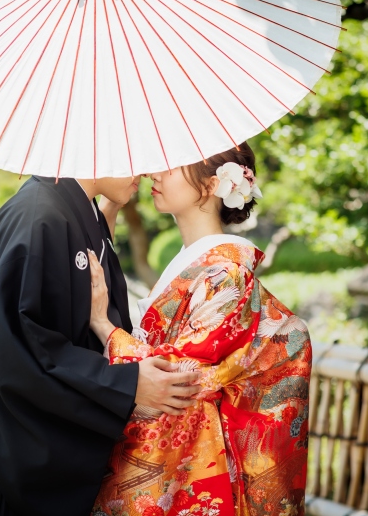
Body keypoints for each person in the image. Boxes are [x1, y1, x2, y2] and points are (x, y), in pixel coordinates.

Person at [0, 175, 202, 516]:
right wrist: (127, 383)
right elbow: (19, 351)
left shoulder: (74, 209)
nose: (146, 169)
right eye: (133, 155)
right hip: (4, 460)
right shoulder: (39, 217)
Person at [88, 143, 312, 516]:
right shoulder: (195, 260)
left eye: (171, 165)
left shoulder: (226, 272)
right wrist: (109, 207)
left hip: (194, 461)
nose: (153, 173)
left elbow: (179, 375)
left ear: (211, 185)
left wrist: (104, 328)